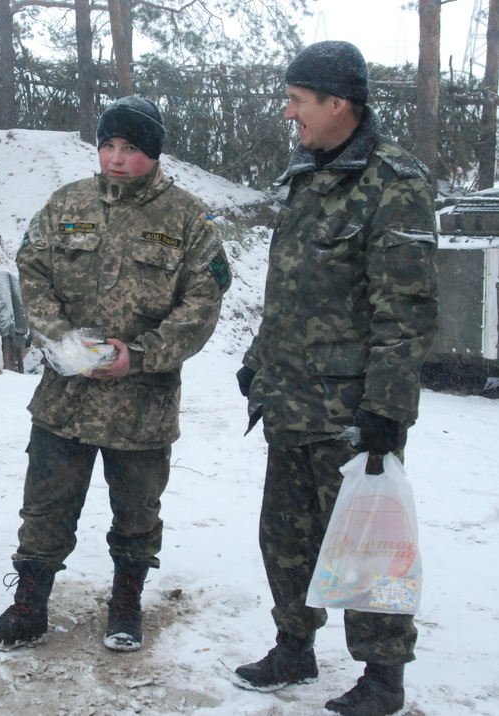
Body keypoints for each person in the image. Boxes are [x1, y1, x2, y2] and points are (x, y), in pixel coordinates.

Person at [0, 96, 232, 653]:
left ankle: (125, 604)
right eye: (108, 146)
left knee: (137, 514)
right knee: (44, 507)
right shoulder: (65, 202)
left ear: (153, 154)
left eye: (131, 149)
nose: (116, 159)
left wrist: (138, 355)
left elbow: (201, 305)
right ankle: (28, 607)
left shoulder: (189, 219)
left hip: (142, 402)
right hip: (65, 397)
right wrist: (61, 339)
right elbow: (33, 273)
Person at [233, 41, 438, 716]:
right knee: (284, 535)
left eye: (297, 101)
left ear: (337, 104)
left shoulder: (393, 183)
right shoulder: (306, 173)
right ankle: (294, 647)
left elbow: (404, 311)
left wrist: (387, 408)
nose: (288, 113)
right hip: (290, 401)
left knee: (365, 544)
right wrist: (259, 359)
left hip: (350, 410)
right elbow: (288, 289)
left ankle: (383, 677)